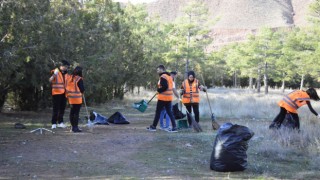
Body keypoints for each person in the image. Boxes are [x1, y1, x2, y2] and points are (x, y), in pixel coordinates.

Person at [147, 65, 178, 132]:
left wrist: (159, 90)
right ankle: (174, 127)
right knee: (169, 112)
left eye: (158, 70)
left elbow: (165, 86)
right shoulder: (169, 76)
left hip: (163, 98)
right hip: (169, 98)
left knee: (158, 112)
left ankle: (153, 127)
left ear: (161, 69)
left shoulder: (163, 76)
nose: (157, 71)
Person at [49, 60, 70, 129]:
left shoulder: (67, 74)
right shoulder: (56, 71)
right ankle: (54, 123)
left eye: (67, 67)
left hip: (64, 93)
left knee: (62, 109)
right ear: (62, 66)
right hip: (56, 93)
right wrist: (54, 74)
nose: (67, 68)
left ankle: (60, 122)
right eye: (66, 67)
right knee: (56, 109)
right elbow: (50, 80)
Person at [65, 66, 85, 133]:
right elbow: (82, 89)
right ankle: (75, 128)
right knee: (76, 113)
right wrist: (83, 91)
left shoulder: (69, 77)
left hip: (70, 98)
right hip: (77, 98)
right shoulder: (79, 79)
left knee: (72, 112)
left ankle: (72, 127)